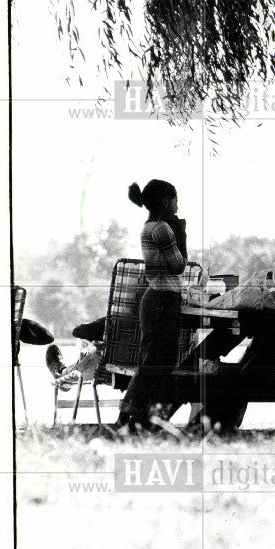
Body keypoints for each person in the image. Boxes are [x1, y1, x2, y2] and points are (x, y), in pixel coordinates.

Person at [116, 179, 188, 431]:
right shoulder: (163, 230)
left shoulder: (149, 227)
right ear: (166, 201)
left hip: (155, 299)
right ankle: (130, 418)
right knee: (155, 363)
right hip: (163, 300)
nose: (178, 204)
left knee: (153, 362)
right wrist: (182, 233)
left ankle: (133, 416)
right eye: (175, 198)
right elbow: (179, 265)